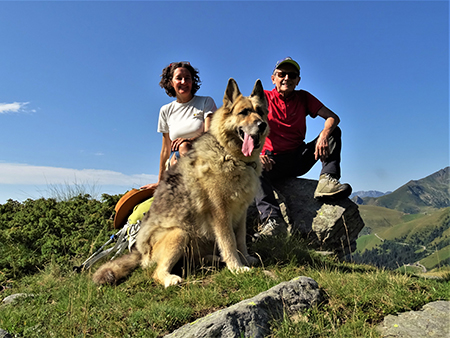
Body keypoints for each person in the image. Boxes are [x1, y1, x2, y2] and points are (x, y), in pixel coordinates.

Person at [255, 57, 351, 237]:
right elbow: (247, 125)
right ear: (273, 78)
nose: (286, 79)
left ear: (298, 80)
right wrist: (256, 153)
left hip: (299, 157)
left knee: (333, 131)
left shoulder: (303, 97)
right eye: (281, 74)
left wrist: (323, 134)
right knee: (253, 167)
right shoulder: (264, 98)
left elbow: (332, 117)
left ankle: (327, 179)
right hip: (272, 161)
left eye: (292, 75)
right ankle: (272, 221)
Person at [141, 61, 217, 190]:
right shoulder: (166, 110)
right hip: (176, 160)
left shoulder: (206, 102)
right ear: (171, 82)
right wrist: (160, 181)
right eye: (179, 78)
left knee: (184, 147)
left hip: (204, 157)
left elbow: (211, 134)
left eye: (187, 78)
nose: (183, 82)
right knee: (180, 151)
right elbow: (165, 149)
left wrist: (189, 141)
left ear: (193, 81)